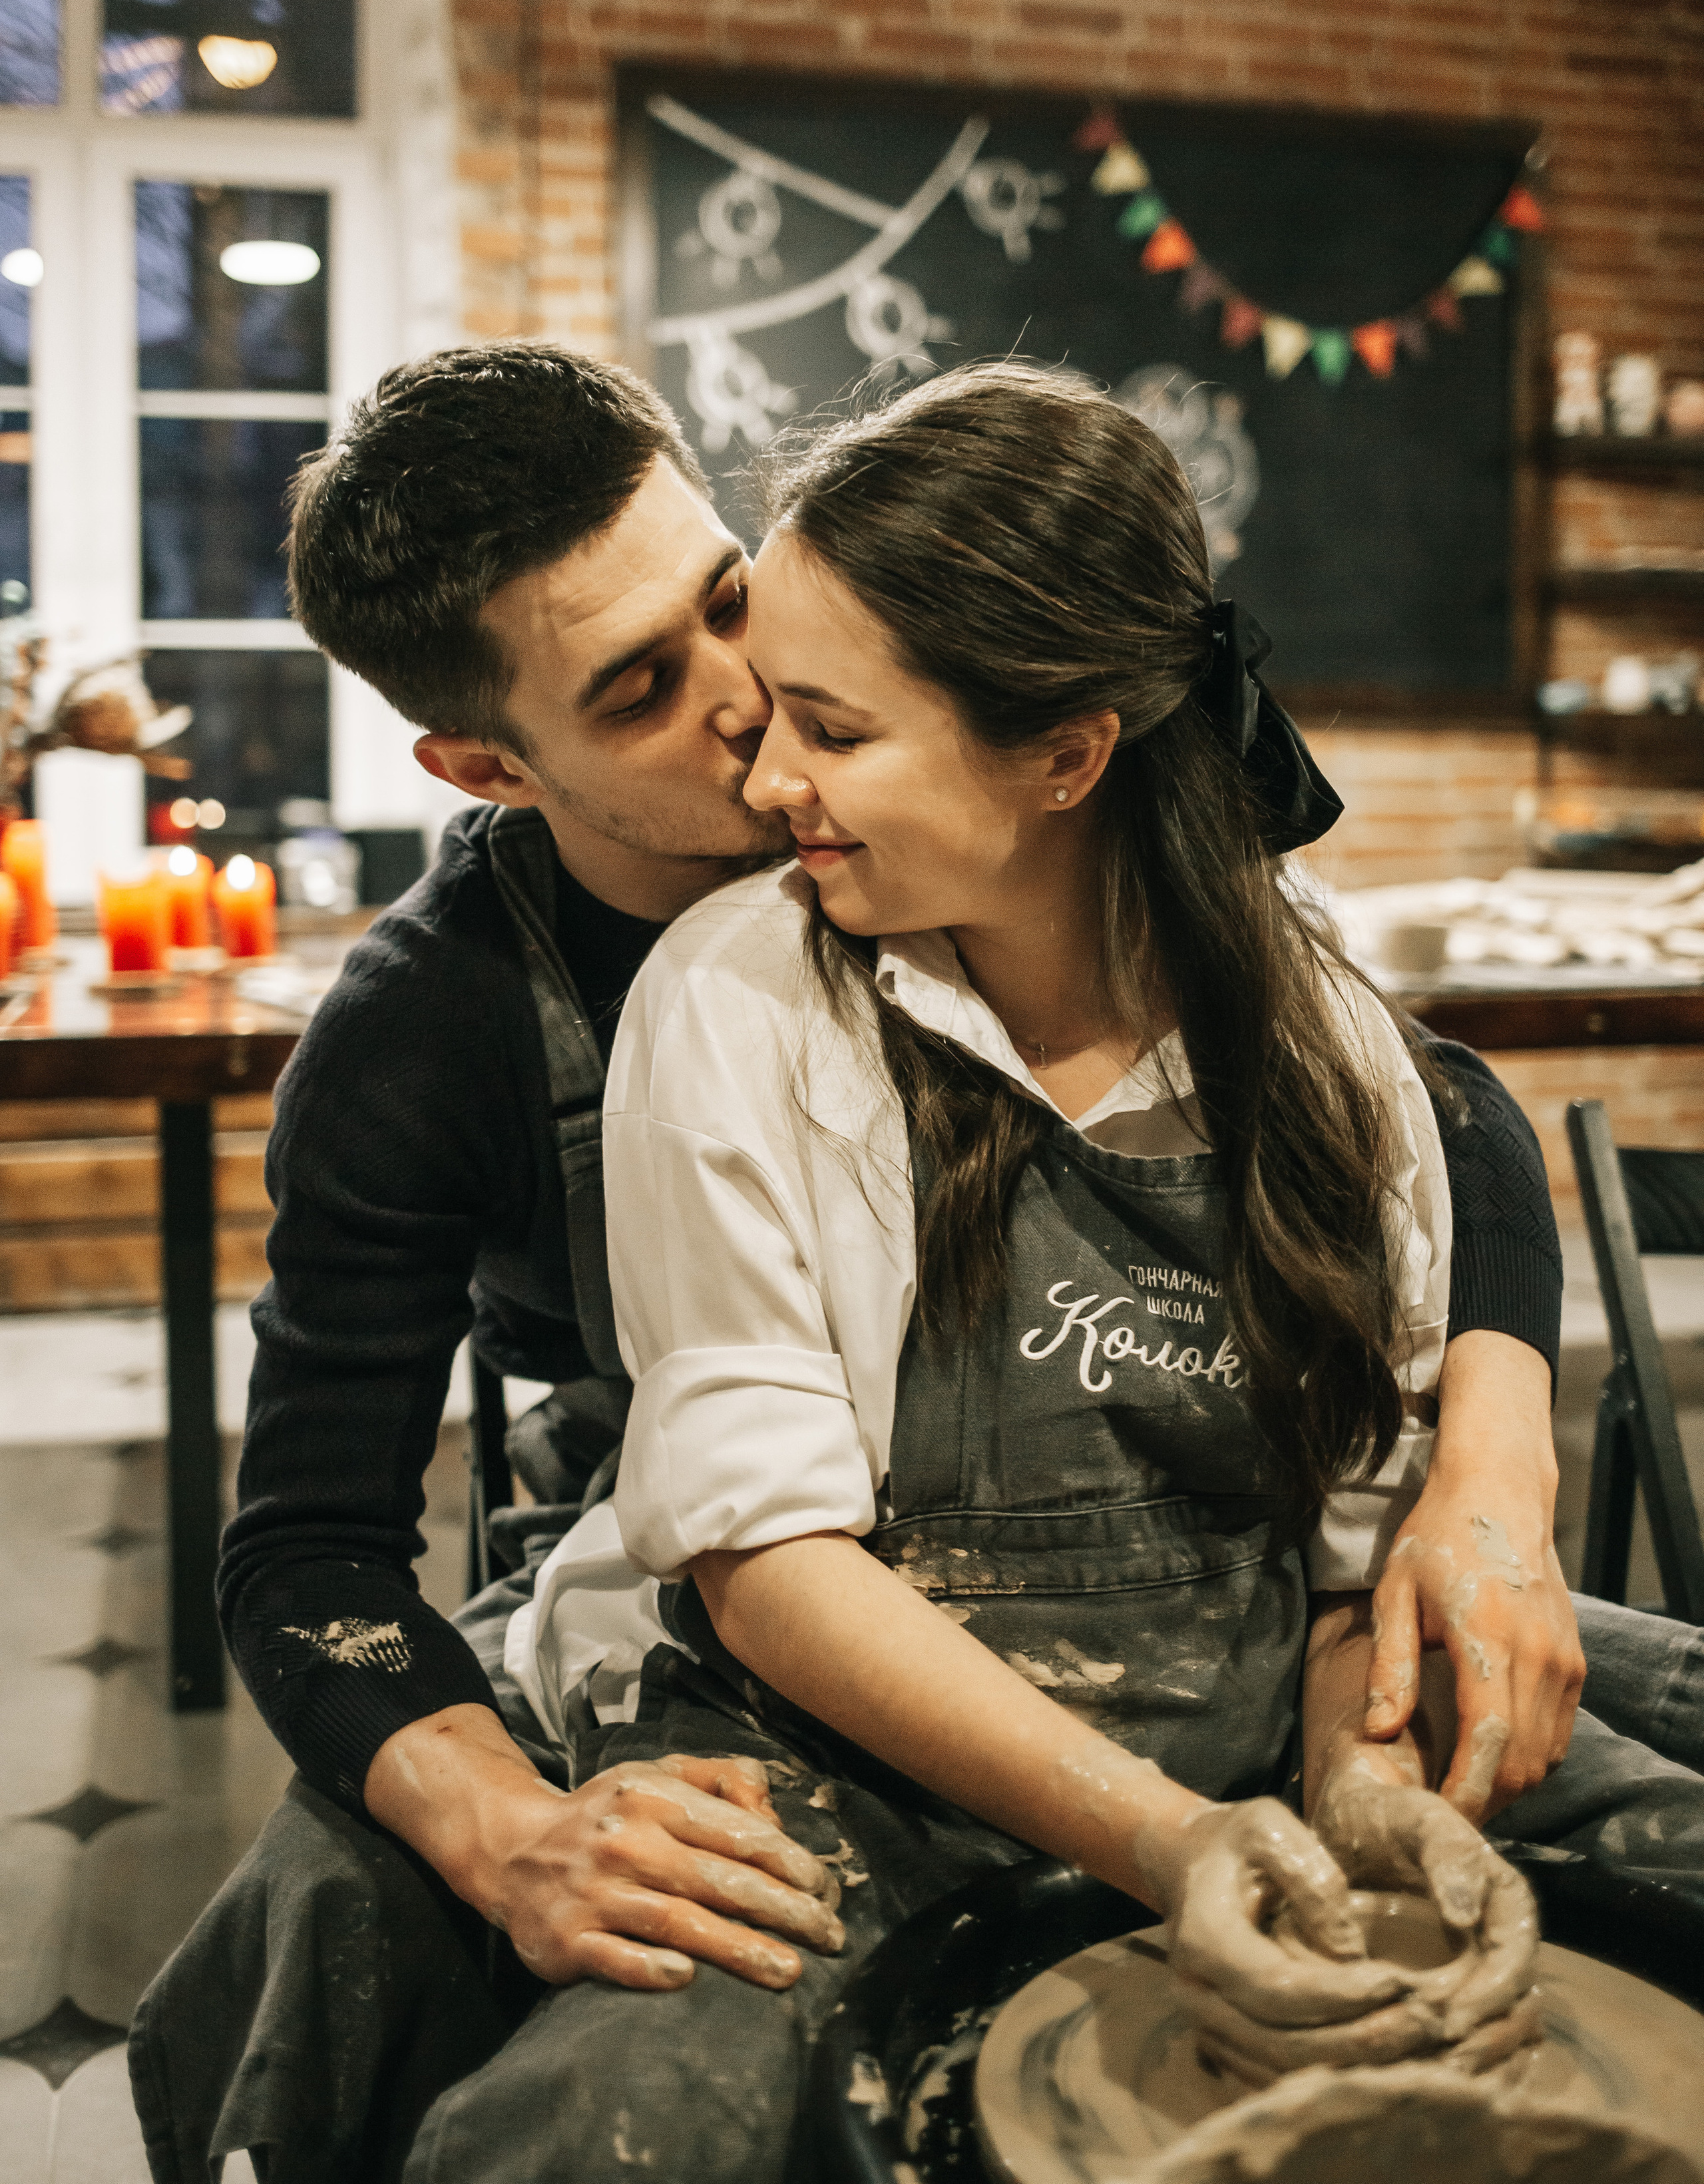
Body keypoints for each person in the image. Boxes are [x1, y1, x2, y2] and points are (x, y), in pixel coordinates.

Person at [124, 342, 1649, 2183]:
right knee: (383, 1962)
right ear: (489, 765)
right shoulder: (459, 1029)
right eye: (640, 693)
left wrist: (1486, 1471)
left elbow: (1423, 1109)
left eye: (731, 607)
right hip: (711, 1558)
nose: (748, 719)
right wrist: (510, 1828)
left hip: (1206, 1568)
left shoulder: (1047, 813)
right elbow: (307, 1559)